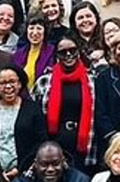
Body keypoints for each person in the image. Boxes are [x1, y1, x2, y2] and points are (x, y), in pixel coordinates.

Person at [33, 36, 96, 172]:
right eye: (63, 52)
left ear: (78, 52)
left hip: (83, 145)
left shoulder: (92, 81)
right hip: (53, 145)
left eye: (72, 50)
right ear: (57, 56)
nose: (68, 55)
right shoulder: (44, 81)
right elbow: (35, 116)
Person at [0, 65, 44, 182]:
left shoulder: (33, 109)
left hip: (27, 174)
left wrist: (20, 168)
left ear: (20, 84)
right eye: (2, 83)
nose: (8, 86)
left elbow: (41, 142)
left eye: (12, 81)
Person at [14, 15, 55, 87]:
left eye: (39, 28)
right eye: (31, 28)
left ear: (45, 31)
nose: (35, 32)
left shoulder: (52, 51)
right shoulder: (18, 54)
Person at [70, 0, 107, 70]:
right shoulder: (68, 42)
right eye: (80, 18)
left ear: (96, 18)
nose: (85, 20)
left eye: (88, 16)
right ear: (74, 23)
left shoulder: (106, 38)